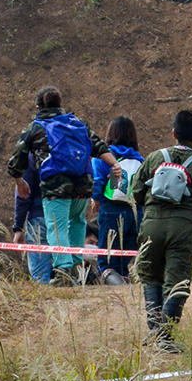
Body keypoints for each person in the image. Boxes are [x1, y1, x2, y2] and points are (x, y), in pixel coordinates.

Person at [133, 109, 192, 348]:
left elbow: (137, 191)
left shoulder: (153, 158)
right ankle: (166, 337)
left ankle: (154, 331)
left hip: (151, 225)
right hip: (182, 229)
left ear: (173, 133)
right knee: (177, 282)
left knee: (151, 278)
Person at [8, 87, 115, 284]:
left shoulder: (35, 127)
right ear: (60, 104)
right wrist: (114, 164)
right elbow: (99, 146)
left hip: (56, 188)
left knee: (56, 228)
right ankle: (76, 269)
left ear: (39, 106)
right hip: (83, 186)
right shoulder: (78, 124)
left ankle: (64, 271)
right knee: (77, 222)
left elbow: (16, 160)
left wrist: (18, 180)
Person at [93, 115, 145, 282]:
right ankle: (125, 288)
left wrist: (97, 199)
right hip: (134, 212)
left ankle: (116, 289)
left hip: (110, 210)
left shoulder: (105, 156)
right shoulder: (140, 159)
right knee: (124, 262)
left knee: (107, 262)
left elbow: (97, 181)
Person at [13, 144, 53, 285]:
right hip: (64, 218)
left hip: (38, 218)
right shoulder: (64, 153)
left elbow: (23, 195)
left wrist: (18, 227)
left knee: (40, 279)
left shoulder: (31, 158)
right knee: (64, 272)